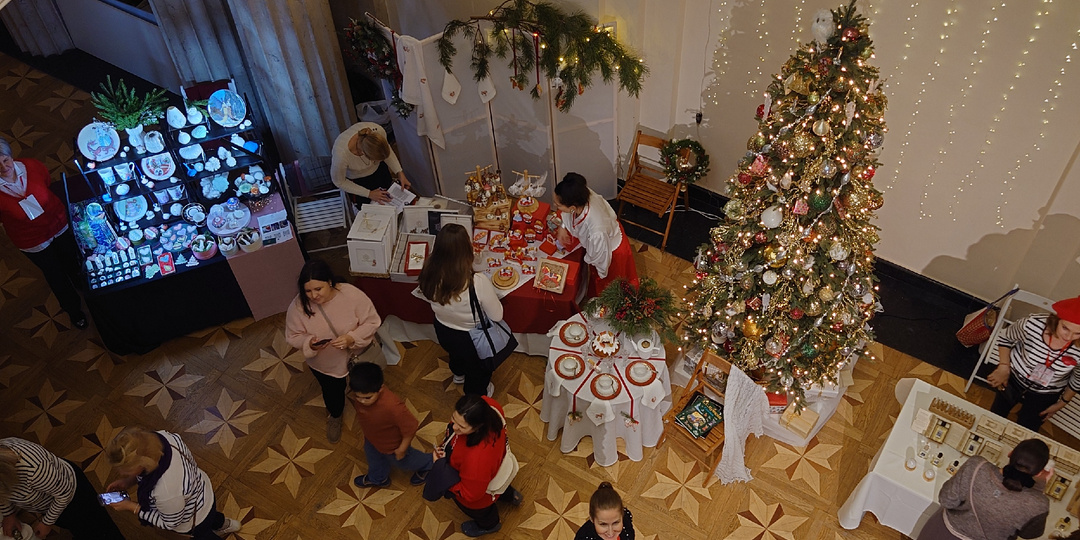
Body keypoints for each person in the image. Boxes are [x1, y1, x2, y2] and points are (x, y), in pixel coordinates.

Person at [285, 259, 382, 443]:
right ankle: (335, 415)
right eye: (307, 291)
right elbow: (292, 335)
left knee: (366, 385)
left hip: (360, 355)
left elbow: (372, 321)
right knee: (331, 392)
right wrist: (309, 344)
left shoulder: (351, 295)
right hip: (325, 364)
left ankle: (374, 407)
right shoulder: (297, 307)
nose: (313, 296)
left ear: (329, 282)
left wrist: (351, 338)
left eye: (318, 289)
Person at [0, 137, 88, 328]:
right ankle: (73, 309)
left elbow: (47, 182)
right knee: (55, 275)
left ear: (10, 155)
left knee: (72, 259)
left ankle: (81, 283)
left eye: (5, 159)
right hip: (32, 241)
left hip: (58, 223)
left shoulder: (32, 166)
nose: (3, 166)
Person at [103, 427, 240, 539]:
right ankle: (225, 524)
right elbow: (145, 470)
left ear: (142, 463)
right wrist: (129, 481)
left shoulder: (166, 492)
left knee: (205, 535)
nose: (121, 473)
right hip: (203, 492)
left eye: (127, 471)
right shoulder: (163, 437)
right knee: (212, 516)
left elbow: (170, 524)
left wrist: (131, 507)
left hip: (195, 520)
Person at [418, 224, 504, 396]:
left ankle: (458, 374)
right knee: (478, 370)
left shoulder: (428, 271)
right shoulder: (477, 282)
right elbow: (497, 315)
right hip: (472, 337)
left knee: (455, 355)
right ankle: (476, 395)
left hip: (443, 328)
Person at [917, 438, 1050, 540]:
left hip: (941, 533)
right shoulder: (1039, 504)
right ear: (1038, 473)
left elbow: (946, 500)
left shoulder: (977, 466)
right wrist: (1039, 488)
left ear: (1010, 454)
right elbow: (1029, 534)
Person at [1, 437, 125, 540]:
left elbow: (65, 493)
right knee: (81, 529)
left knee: (100, 528)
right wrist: (9, 514)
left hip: (74, 496)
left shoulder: (34, 469)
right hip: (52, 503)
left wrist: (46, 522)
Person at [434, 395, 522, 537]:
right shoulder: (489, 406)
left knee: (484, 513)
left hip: (480, 494)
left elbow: (470, 495)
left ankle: (491, 525)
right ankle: (511, 496)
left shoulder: (476, 460)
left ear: (478, 427)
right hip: (497, 465)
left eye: (462, 426)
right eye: (453, 418)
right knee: (501, 485)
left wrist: (444, 478)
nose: (453, 426)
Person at [988, 296, 1080, 431]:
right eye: (1065, 328)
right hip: (1013, 380)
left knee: (1028, 428)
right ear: (1057, 320)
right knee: (995, 416)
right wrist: (1003, 366)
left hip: (1046, 393)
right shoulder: (1032, 325)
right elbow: (1005, 338)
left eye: (1077, 333)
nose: (1068, 337)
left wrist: (1061, 404)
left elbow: (1077, 378)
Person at [553, 172, 639, 298]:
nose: (556, 206)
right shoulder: (581, 194)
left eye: (558, 205)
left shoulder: (595, 230)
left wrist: (600, 276)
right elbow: (568, 215)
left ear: (572, 207)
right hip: (604, 237)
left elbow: (601, 260)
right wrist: (563, 226)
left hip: (611, 254)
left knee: (610, 289)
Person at [348, 361, 433, 488]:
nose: (361, 401)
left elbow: (410, 427)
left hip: (393, 446)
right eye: (358, 396)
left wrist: (402, 448)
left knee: (407, 462)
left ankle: (430, 464)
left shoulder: (393, 407)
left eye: (367, 398)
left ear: (380, 388)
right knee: (374, 459)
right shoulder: (362, 394)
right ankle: (378, 479)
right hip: (372, 439)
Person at [331, 122, 412, 207]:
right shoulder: (341, 156)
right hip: (358, 181)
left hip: (379, 171)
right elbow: (339, 181)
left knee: (389, 199)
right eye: (375, 160)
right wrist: (369, 194)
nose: (376, 162)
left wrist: (399, 172)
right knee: (369, 209)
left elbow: (386, 152)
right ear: (363, 154)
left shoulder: (378, 131)